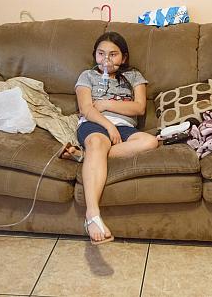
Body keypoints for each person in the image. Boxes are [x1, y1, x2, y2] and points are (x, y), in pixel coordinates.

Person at [62, 31, 158, 245]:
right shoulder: (87, 76)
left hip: (124, 126)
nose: (106, 59)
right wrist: (107, 124)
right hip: (95, 123)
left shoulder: (133, 76)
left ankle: (86, 156)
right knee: (97, 141)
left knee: (150, 141)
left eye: (113, 55)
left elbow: (139, 108)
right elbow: (86, 108)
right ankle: (92, 214)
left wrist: (106, 104)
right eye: (101, 53)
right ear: (95, 55)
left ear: (123, 58)